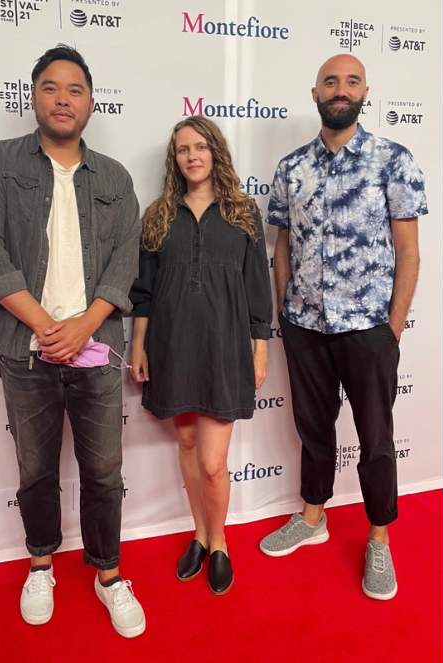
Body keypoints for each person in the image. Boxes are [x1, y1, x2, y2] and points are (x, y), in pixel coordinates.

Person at [0, 45, 145, 636]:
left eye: (74, 90)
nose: (62, 99)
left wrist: (84, 326)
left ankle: (108, 574)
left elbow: (125, 261)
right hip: (25, 348)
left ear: (91, 102)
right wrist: (47, 328)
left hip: (94, 350)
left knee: (104, 471)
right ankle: (40, 563)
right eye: (50, 87)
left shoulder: (114, 176)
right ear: (33, 96)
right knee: (35, 468)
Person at [256, 53, 426, 601]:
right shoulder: (290, 169)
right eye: (331, 81)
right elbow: (281, 248)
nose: (340, 89)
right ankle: (312, 518)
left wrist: (391, 329)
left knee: (375, 440)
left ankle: (379, 539)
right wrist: (284, 310)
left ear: (364, 93)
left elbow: (409, 252)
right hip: (305, 325)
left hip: (370, 328)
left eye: (351, 81)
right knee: (313, 428)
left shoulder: (392, 160)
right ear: (315, 93)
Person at [129, 116, 272, 595]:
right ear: (175, 159)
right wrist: (137, 345)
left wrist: (260, 347)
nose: (191, 156)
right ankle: (199, 534)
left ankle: (221, 543)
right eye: (182, 149)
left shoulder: (243, 212)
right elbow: (143, 291)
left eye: (199, 147)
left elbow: (257, 285)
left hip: (225, 345)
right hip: (170, 344)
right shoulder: (157, 215)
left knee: (213, 462)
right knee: (186, 446)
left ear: (215, 152)